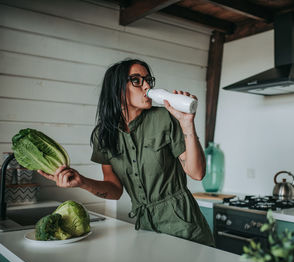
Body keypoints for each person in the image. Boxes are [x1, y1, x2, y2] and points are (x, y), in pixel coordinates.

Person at [38, 58, 215, 246]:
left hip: (184, 227)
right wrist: (82, 182)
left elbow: (197, 173)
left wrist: (187, 124)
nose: (146, 86)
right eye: (137, 80)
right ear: (117, 89)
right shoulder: (104, 135)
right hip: (146, 230)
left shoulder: (166, 118)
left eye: (148, 80)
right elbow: (114, 190)